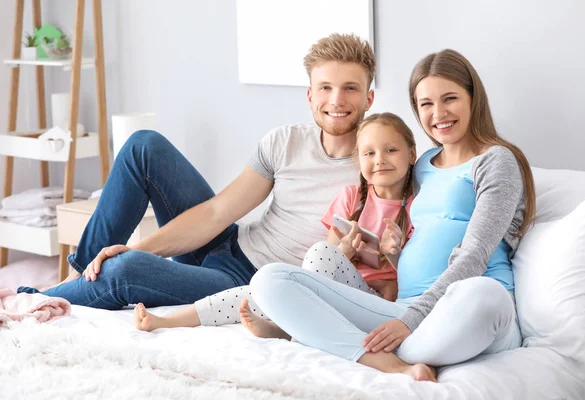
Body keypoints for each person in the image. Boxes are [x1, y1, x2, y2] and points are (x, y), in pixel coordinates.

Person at [16, 33, 377, 310]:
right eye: (326, 88)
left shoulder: (380, 163)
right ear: (310, 95)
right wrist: (140, 249)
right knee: (144, 145)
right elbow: (217, 212)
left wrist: (134, 260)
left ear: (369, 99)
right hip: (230, 244)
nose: (336, 101)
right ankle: (78, 275)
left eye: (350, 89)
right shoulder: (286, 141)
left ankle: (31, 301)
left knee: (123, 273)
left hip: (249, 283)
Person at [241, 49, 537, 383]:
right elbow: (411, 222)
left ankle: (323, 337)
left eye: (450, 98)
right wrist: (391, 254)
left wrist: (408, 322)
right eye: (425, 104)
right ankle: (385, 359)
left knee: (485, 295)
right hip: (405, 310)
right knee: (271, 279)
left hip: (464, 313)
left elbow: (474, 255)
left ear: (473, 99)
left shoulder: (496, 161)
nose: (438, 113)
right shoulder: (424, 164)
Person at [133, 112, 416, 331]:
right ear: (359, 159)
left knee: (296, 279)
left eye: (391, 150)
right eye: (369, 153)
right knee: (272, 283)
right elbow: (329, 254)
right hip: (333, 293)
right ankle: (170, 321)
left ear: (411, 154)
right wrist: (347, 251)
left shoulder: (419, 206)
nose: (380, 160)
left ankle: (283, 326)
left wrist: (394, 257)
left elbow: (413, 281)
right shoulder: (351, 197)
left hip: (372, 303)